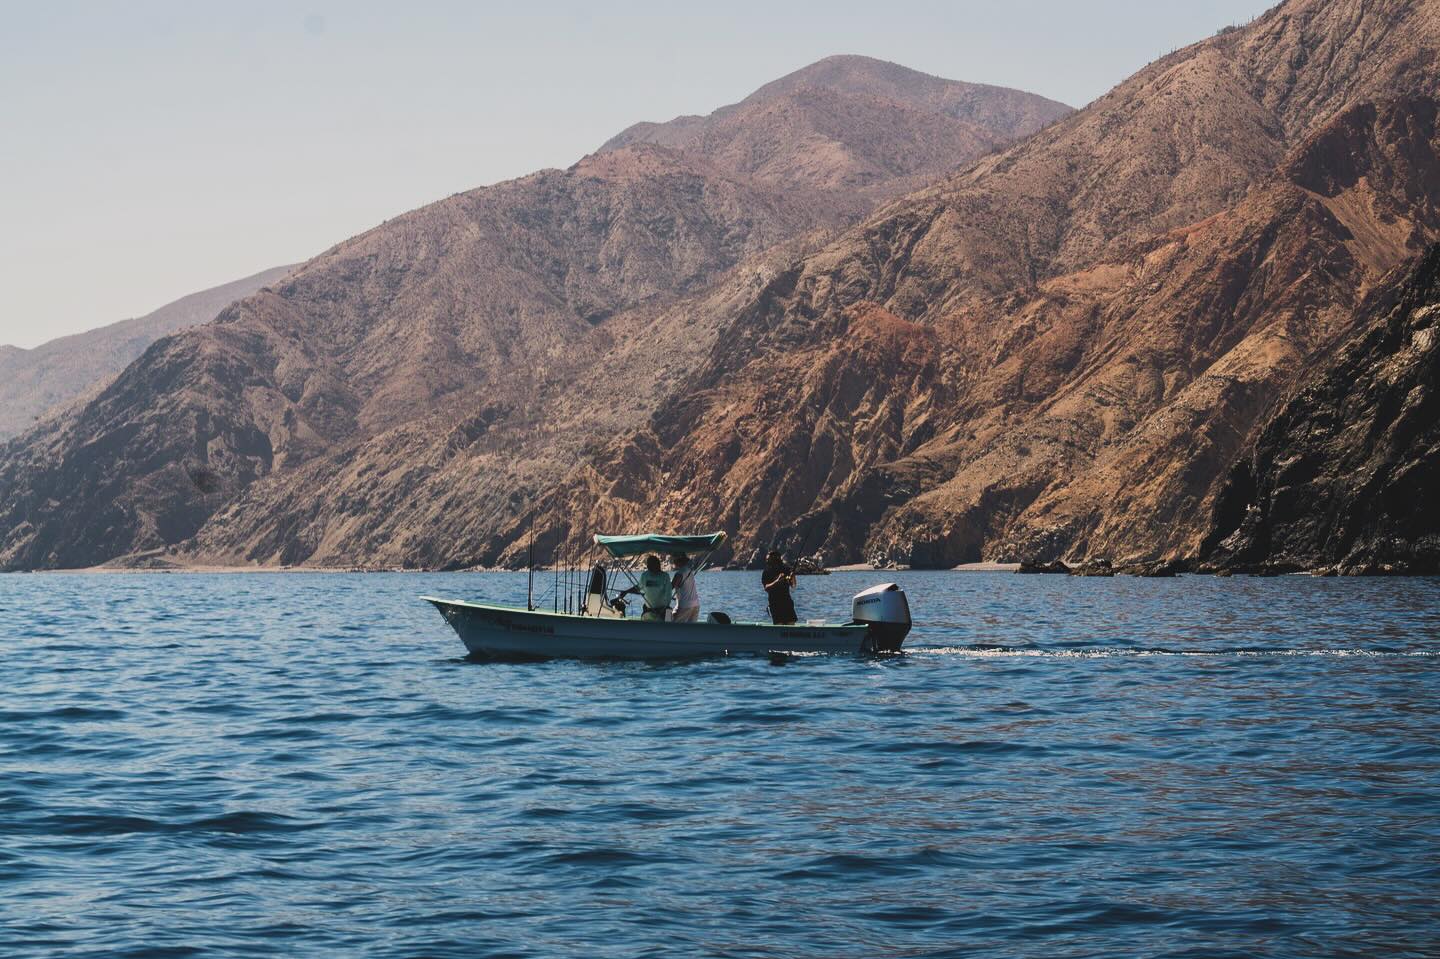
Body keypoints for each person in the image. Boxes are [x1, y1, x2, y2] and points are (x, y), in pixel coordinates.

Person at [618, 554, 673, 621]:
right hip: (649, 610)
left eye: (652, 564)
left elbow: (668, 594)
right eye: (648, 565)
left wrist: (664, 608)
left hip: (664, 609)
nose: (648, 566)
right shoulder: (645, 575)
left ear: (658, 565)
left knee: (669, 618)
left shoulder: (665, 576)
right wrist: (626, 592)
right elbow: (638, 588)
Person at [762, 549, 797, 625]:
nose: (767, 561)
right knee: (779, 625)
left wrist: (793, 576)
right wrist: (777, 581)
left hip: (787, 602)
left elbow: (793, 585)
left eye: (768, 559)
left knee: (791, 624)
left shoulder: (786, 569)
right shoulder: (766, 572)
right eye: (767, 559)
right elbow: (766, 588)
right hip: (775, 604)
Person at [670, 552, 700, 622]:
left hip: (686, 605)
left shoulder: (679, 573)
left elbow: (671, 587)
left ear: (678, 561)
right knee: (690, 629)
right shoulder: (689, 571)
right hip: (696, 604)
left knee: (674, 625)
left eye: (674, 560)